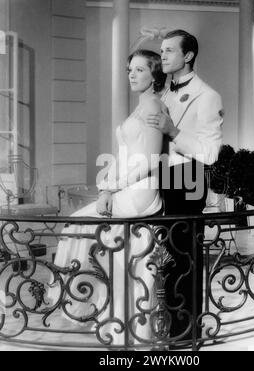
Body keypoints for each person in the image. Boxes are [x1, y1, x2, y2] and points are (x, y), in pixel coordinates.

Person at [49, 49, 167, 347]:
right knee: (92, 237)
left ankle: (95, 303)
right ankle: (108, 311)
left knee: (79, 224)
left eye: (140, 69)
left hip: (142, 190)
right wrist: (106, 187)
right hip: (127, 185)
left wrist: (113, 189)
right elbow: (122, 156)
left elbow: (152, 161)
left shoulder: (154, 105)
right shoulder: (139, 108)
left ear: (155, 74)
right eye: (130, 69)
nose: (132, 74)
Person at [147, 30, 223, 342]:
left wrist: (174, 131)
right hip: (161, 176)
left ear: (188, 55)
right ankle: (163, 326)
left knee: (183, 260)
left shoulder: (208, 96)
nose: (162, 55)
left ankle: (186, 334)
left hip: (187, 179)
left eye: (169, 51)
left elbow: (210, 153)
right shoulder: (162, 94)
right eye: (161, 50)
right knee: (161, 258)